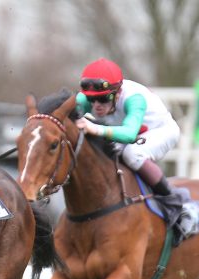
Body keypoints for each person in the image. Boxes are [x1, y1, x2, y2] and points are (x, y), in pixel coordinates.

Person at [75, 58, 185, 229]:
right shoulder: (86, 99)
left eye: (103, 99)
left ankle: (173, 200)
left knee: (132, 154)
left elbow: (129, 134)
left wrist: (94, 128)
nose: (96, 106)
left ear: (117, 93)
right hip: (128, 132)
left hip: (160, 131)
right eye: (92, 99)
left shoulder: (133, 98)